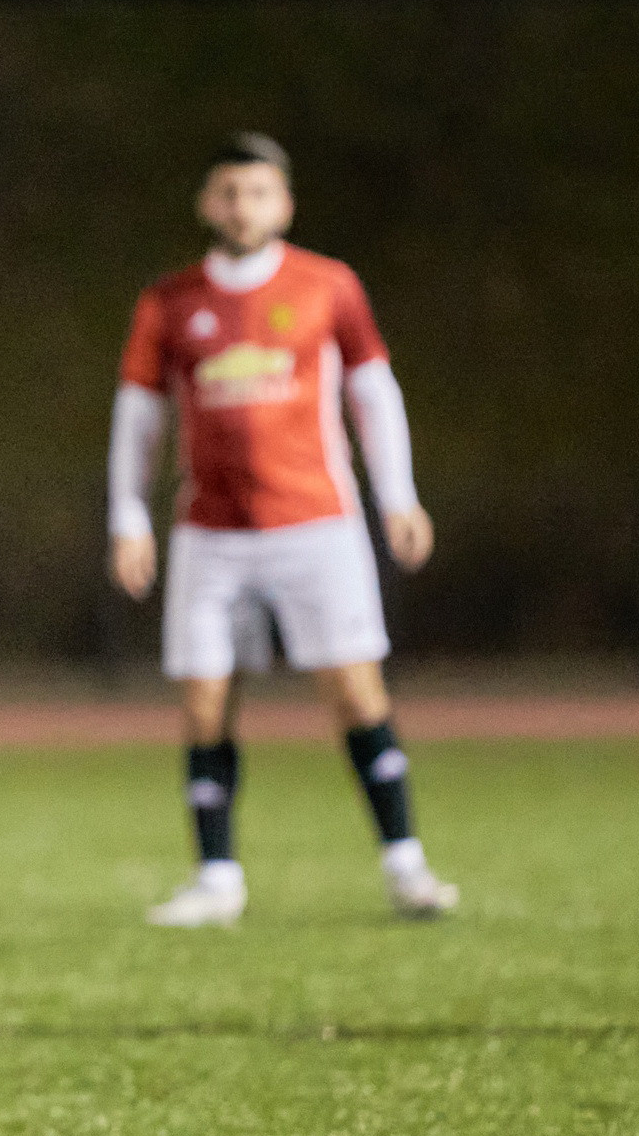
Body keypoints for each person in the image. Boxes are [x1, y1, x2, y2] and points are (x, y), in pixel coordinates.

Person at [107, 132, 460, 927]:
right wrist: (127, 517)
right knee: (202, 704)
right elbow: (137, 417)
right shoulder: (170, 301)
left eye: (258, 192)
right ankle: (216, 879)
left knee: (355, 692)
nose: (242, 206)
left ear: (285, 203)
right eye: (229, 192)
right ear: (207, 204)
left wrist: (396, 496)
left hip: (315, 525)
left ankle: (406, 867)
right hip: (210, 532)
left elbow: (373, 392)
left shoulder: (326, 285)